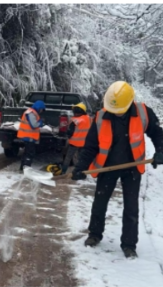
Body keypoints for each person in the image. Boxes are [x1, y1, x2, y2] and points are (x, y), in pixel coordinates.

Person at [71, 81, 163, 258]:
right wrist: (81, 167)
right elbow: (90, 146)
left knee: (131, 207)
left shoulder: (144, 112)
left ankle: (129, 245)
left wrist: (160, 151)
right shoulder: (100, 116)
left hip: (132, 168)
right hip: (107, 168)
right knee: (99, 204)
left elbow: (157, 133)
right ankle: (95, 234)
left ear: (129, 103)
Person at [61, 103, 92, 174]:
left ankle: (63, 171)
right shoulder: (89, 118)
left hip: (74, 143)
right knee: (82, 158)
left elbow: (70, 132)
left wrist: (67, 136)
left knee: (68, 158)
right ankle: (81, 171)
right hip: (85, 143)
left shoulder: (75, 120)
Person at [17, 100, 46, 171]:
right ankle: (27, 168)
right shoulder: (31, 113)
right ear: (39, 107)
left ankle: (23, 167)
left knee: (27, 152)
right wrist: (40, 123)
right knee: (30, 153)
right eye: (41, 109)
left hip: (28, 136)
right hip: (28, 137)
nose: (41, 111)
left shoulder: (31, 112)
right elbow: (34, 125)